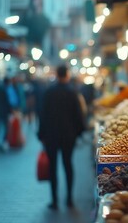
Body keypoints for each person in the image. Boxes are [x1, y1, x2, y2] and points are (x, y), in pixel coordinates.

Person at [38, 65, 85, 210]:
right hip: (68, 136)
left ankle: (54, 200)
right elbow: (78, 115)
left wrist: (41, 134)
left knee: (53, 167)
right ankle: (69, 198)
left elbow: (42, 114)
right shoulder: (72, 93)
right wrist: (79, 132)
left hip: (51, 135)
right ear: (67, 75)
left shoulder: (49, 92)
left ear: (57, 75)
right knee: (68, 165)